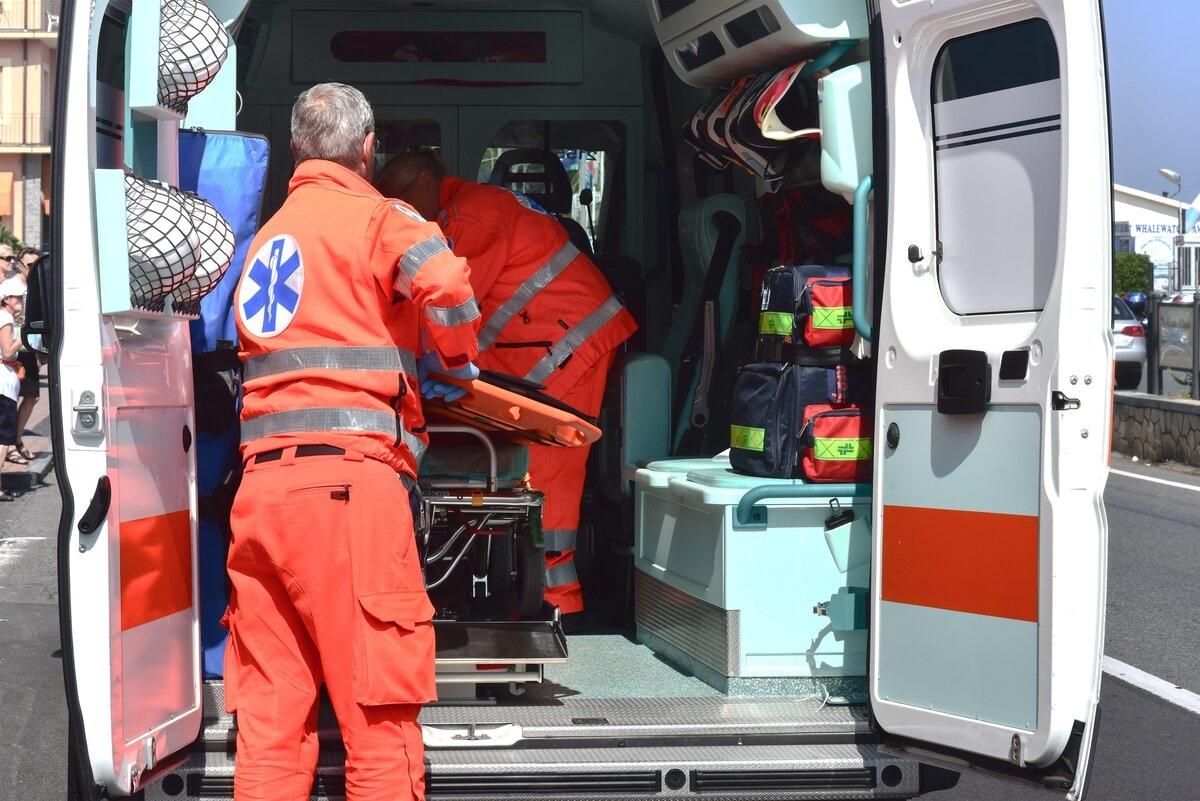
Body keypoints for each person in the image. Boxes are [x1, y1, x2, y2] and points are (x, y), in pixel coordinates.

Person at [227, 83, 480, 801]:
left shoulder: (268, 236)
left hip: (262, 499)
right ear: (368, 150)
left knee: (273, 720)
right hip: (348, 494)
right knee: (378, 719)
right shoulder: (379, 217)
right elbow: (449, 286)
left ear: (300, 150)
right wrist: (458, 364)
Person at [377, 148, 637, 616]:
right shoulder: (469, 211)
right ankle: (520, 584)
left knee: (549, 469)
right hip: (551, 342)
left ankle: (558, 601)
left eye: (400, 197)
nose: (400, 211)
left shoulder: (471, 220)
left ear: (424, 181)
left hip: (568, 347)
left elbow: (451, 306)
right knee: (530, 466)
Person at [9, 248, 41, 463]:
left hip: (29, 349)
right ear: (20, 265)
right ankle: (10, 445)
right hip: (11, 349)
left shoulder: (37, 288)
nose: (34, 270)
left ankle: (16, 439)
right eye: (30, 265)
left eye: (37, 265)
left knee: (32, 396)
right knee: (10, 398)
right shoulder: (11, 287)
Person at [0, 278, 24, 500]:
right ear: (6, 299)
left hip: (5, 379)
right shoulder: (5, 318)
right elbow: (7, 352)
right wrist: (23, 333)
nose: (21, 300)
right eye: (17, 296)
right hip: (3, 382)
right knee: (4, 437)